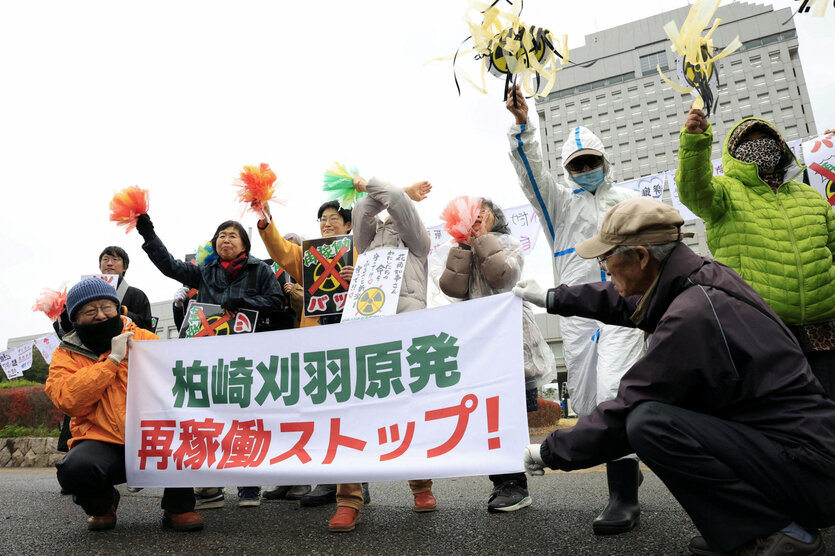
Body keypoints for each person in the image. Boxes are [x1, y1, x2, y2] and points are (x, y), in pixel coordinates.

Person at [513, 198, 835, 555]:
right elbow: (622, 301)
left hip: (809, 474)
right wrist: (553, 298)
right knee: (656, 417)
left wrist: (549, 451)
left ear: (641, 257)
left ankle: (777, 533)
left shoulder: (691, 316)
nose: (605, 270)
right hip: (805, 456)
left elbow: (626, 407)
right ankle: (743, 529)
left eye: (605, 260)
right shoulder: (700, 279)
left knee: (648, 423)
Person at [505, 84, 645, 533]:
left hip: (624, 310)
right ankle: (626, 467)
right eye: (576, 165)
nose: (585, 170)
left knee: (614, 391)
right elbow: (531, 173)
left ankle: (623, 498)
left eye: (591, 162)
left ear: (605, 162)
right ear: (567, 170)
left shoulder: (628, 202)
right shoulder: (559, 206)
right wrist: (523, 126)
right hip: (578, 314)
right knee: (586, 403)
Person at [677, 109, 835, 400]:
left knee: (828, 407)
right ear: (734, 153)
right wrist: (695, 142)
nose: (759, 146)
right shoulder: (724, 192)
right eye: (748, 142)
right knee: (783, 411)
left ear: (780, 147)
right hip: (759, 329)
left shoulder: (811, 196)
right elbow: (693, 190)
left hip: (824, 332)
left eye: (766, 139)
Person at [135, 213, 288, 510]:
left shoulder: (260, 269)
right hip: (209, 358)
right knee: (210, 419)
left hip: (246, 357)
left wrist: (244, 303)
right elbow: (170, 266)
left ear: (244, 244)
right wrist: (148, 234)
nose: (225, 240)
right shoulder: (205, 271)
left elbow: (277, 301)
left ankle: (249, 485)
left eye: (232, 235)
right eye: (220, 235)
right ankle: (211, 487)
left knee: (245, 420)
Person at [319, 176, 437, 532]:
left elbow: (397, 199)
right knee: (352, 411)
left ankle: (421, 486)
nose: (386, 221)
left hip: (406, 331)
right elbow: (361, 210)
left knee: (408, 409)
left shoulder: (418, 242)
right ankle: (348, 500)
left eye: (393, 217)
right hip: (365, 331)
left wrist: (371, 183)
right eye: (381, 219)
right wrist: (360, 277)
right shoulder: (365, 247)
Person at [45, 278, 203, 532]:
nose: (100, 315)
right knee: (74, 469)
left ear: (117, 308)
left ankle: (179, 507)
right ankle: (102, 505)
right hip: (101, 440)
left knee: (187, 436)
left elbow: (178, 381)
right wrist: (112, 360)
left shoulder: (146, 339)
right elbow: (67, 400)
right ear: (75, 318)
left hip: (153, 435)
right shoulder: (66, 353)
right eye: (90, 310)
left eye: (106, 307)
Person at [439, 198, 556, 515]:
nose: (476, 218)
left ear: (496, 217)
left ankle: (514, 484)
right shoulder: (459, 251)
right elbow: (451, 287)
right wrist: (463, 249)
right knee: (488, 418)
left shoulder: (509, 244)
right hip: (479, 346)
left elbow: (502, 275)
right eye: (469, 214)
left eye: (482, 212)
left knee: (509, 416)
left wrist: (482, 242)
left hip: (512, 342)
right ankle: (503, 482)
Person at [255, 200, 358, 510]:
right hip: (317, 342)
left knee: (351, 412)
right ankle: (326, 479)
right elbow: (281, 250)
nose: (326, 223)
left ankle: (352, 484)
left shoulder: (362, 252)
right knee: (323, 411)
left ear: (348, 224)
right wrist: (265, 221)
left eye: (333, 218)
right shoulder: (310, 256)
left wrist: (360, 275)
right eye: (322, 219)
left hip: (354, 342)